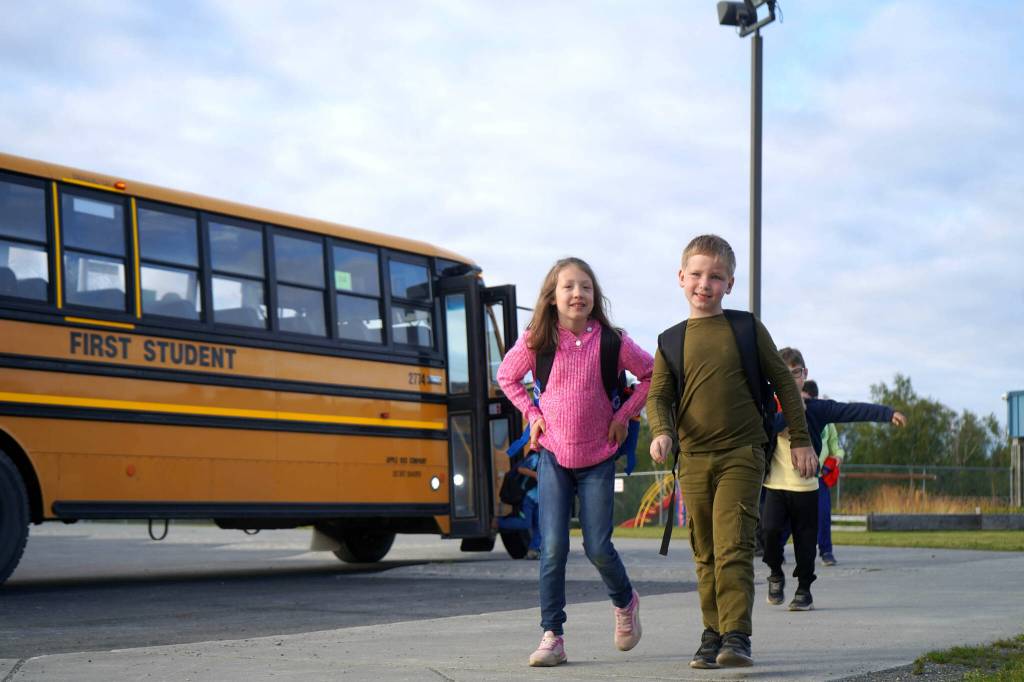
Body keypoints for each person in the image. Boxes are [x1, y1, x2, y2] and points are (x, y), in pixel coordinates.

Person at [646, 234, 814, 669]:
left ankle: (736, 635)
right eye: (697, 274)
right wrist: (662, 432)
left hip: (742, 452)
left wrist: (800, 439)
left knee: (733, 545)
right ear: (681, 278)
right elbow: (658, 396)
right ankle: (712, 633)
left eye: (716, 277)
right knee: (704, 550)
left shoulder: (746, 328)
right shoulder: (670, 340)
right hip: (695, 459)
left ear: (730, 283)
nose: (706, 283)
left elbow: (786, 387)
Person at [496, 256, 654, 667]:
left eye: (585, 286)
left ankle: (625, 602)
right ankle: (553, 635)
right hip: (553, 457)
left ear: (594, 295)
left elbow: (652, 376)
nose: (577, 293)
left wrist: (623, 416)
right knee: (552, 548)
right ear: (551, 297)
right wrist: (532, 415)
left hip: (598, 458)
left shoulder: (613, 342)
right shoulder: (537, 338)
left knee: (598, 545)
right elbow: (506, 377)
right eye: (568, 286)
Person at [762, 348, 907, 612]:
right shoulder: (769, 408)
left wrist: (887, 413)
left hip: (806, 488)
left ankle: (804, 590)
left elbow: (851, 410)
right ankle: (775, 573)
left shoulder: (817, 409)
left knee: (806, 544)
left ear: (804, 375)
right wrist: (788, 416)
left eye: (795, 373)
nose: (790, 379)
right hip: (775, 486)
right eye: (783, 375)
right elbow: (765, 427)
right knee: (768, 536)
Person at [802, 379, 843, 566]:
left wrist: (836, 460)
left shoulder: (827, 423)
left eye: (811, 400)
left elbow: (837, 448)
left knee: (823, 515)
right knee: (787, 518)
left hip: (820, 478)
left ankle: (826, 551)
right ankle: (775, 548)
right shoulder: (795, 415)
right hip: (798, 476)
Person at [496, 450, 542, 559]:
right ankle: (498, 522)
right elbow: (520, 469)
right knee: (526, 523)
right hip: (528, 498)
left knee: (540, 526)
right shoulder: (535, 457)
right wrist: (536, 475)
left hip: (539, 500)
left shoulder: (550, 459)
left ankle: (533, 550)